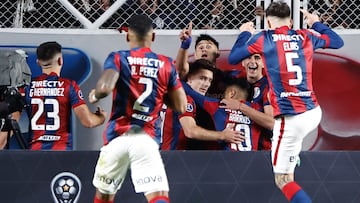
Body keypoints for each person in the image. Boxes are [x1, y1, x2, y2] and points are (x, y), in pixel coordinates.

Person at [228, 1, 344, 202]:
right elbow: (337, 41)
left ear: (267, 22)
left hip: (291, 119)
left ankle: (290, 152)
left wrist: (244, 32)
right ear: (290, 22)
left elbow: (233, 58)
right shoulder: (304, 36)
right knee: (287, 146)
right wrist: (316, 23)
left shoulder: (263, 38)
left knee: (282, 179)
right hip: (313, 111)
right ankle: (291, 151)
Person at [89, 14, 187, 203]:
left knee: (104, 195)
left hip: (116, 137)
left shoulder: (118, 57)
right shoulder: (166, 64)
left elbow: (105, 88)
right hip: (145, 138)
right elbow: (181, 106)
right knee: (158, 195)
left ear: (127, 36)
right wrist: (162, 93)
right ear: (153, 37)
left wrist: (94, 95)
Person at [25, 41, 106, 150]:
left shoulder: (27, 86)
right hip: (62, 150)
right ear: (60, 60)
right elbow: (88, 122)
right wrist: (101, 117)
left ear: (38, 62)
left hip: (34, 150)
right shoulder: (69, 86)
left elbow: (12, 121)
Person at [161, 59, 243, 150]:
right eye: (202, 78)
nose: (206, 84)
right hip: (171, 158)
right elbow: (190, 131)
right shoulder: (185, 98)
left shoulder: (168, 95)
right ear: (190, 78)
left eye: (209, 80)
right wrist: (222, 135)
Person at [184, 76, 268, 151]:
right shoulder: (256, 109)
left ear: (231, 93)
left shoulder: (219, 105)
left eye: (225, 93)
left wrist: (174, 75)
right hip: (253, 161)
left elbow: (189, 91)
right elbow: (272, 122)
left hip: (228, 160)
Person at [221, 53, 274, 150]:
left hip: (263, 150)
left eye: (257, 58)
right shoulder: (233, 77)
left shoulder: (269, 87)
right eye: (248, 58)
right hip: (235, 148)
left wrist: (240, 106)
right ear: (243, 62)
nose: (252, 61)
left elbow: (271, 123)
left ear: (263, 63)